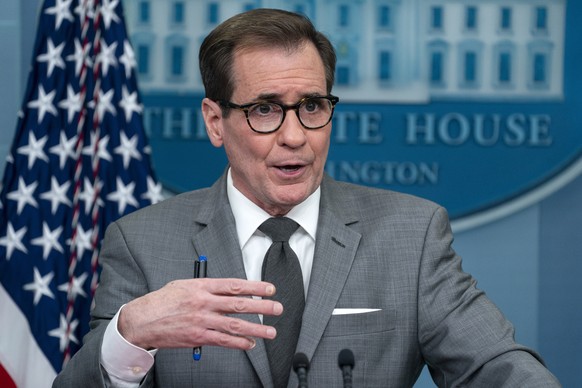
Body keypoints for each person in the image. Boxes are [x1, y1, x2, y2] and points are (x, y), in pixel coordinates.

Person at [53, 8, 560, 388]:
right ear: (214, 121)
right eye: (266, 109)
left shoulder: (412, 234)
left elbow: (497, 366)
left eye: (312, 106)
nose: (296, 136)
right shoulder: (143, 242)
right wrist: (132, 333)